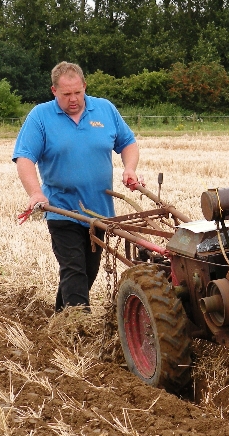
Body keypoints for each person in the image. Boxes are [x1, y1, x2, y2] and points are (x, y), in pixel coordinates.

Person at [13, 61, 141, 311]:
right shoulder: (40, 116)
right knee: (74, 270)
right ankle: (77, 328)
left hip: (99, 212)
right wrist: (36, 193)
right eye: (66, 94)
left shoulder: (105, 109)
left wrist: (129, 167)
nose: (73, 99)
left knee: (87, 273)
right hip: (63, 210)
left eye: (77, 93)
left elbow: (128, 142)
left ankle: (61, 318)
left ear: (84, 86)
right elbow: (25, 157)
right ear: (54, 91)